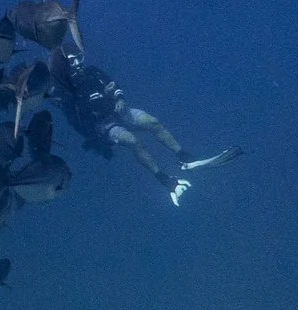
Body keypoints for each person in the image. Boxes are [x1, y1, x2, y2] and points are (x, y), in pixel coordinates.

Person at [48, 46, 238, 205]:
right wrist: (102, 103)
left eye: (79, 58)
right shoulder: (66, 90)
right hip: (102, 124)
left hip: (118, 111)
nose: (78, 64)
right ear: (66, 66)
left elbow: (114, 85)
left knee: (152, 122)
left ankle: (183, 157)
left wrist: (118, 97)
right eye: (73, 61)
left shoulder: (93, 72)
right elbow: (79, 117)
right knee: (132, 140)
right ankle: (165, 179)